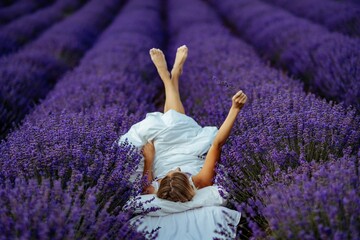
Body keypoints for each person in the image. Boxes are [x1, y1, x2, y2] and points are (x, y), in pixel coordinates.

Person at [120, 45, 247, 202]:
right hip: (191, 144)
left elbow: (146, 187)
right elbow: (217, 144)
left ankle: (172, 77)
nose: (175, 168)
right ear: (190, 184)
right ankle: (169, 78)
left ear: (161, 182)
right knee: (175, 121)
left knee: (171, 120)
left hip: (164, 150)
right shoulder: (200, 181)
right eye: (179, 171)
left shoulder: (154, 188)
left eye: (170, 172)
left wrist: (149, 159)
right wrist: (235, 109)